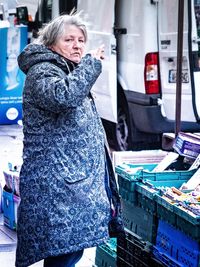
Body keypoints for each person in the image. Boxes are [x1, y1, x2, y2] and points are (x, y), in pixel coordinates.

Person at [15, 11, 122, 267]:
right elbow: (63, 97)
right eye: (69, 40)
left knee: (69, 251)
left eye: (81, 40)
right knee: (63, 253)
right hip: (56, 188)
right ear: (51, 43)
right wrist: (89, 65)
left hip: (70, 185)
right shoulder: (42, 72)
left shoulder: (64, 68)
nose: (77, 46)